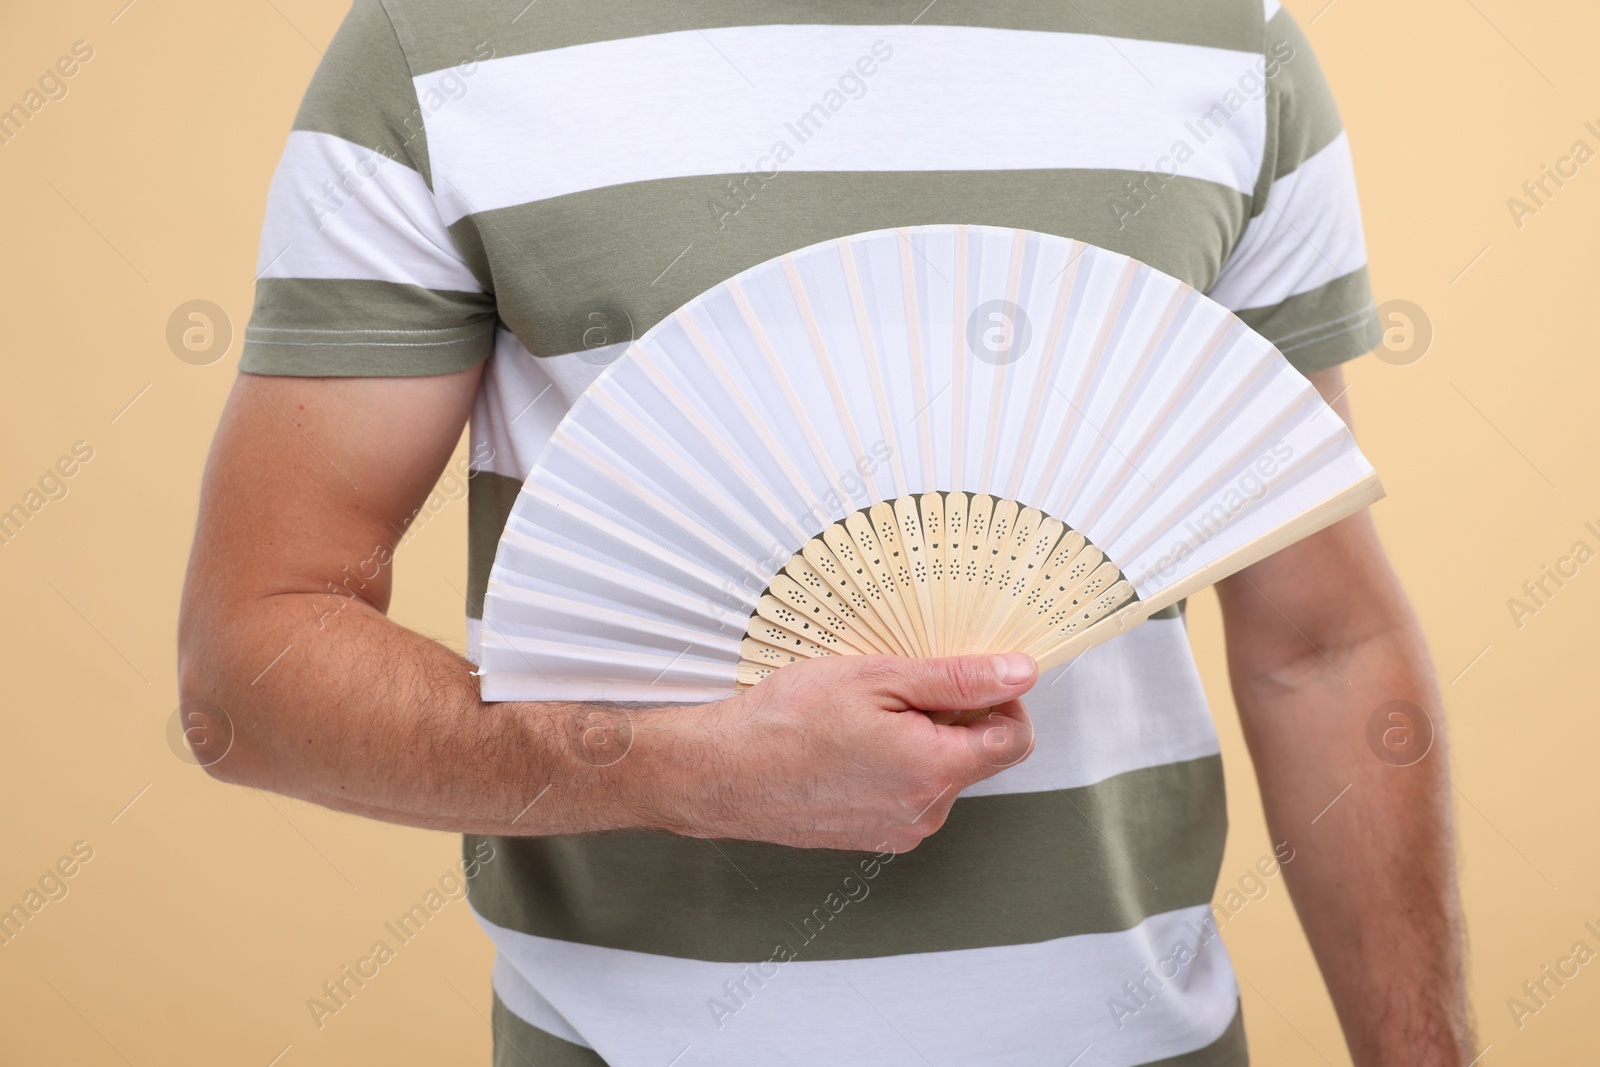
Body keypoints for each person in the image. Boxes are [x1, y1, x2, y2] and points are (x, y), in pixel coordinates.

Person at [179, 1, 1471, 1063]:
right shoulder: (441, 46)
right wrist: (673, 770)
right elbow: (254, 665)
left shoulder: (1227, 44)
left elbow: (1324, 645)